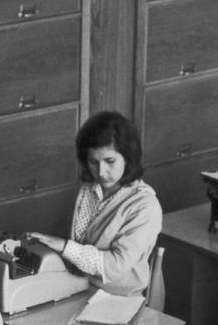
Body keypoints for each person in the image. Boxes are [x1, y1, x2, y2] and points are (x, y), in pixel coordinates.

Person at [22, 110, 162, 298]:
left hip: (117, 302)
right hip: (77, 291)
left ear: (128, 157)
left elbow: (115, 267)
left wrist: (63, 246)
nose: (101, 171)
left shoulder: (145, 206)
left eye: (110, 161)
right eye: (93, 162)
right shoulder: (88, 189)